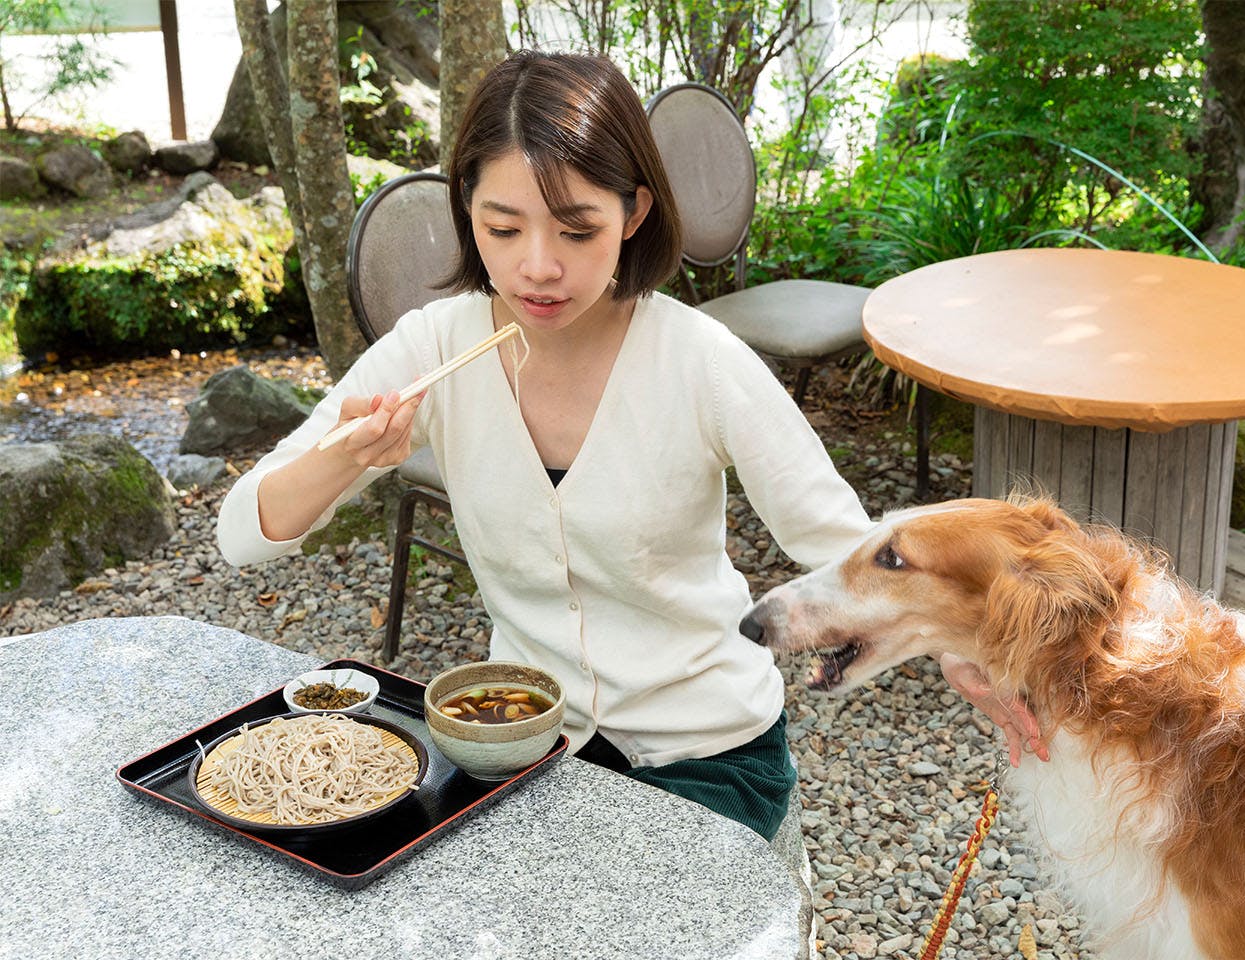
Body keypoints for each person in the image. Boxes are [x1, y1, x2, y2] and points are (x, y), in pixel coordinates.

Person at [217, 49, 872, 841]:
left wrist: (989, 652)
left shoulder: (701, 360)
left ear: (633, 215)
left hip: (710, 748)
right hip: (528, 745)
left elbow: (852, 548)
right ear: (467, 211)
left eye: (577, 230)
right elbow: (243, 533)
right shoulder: (435, 348)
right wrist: (347, 454)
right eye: (502, 227)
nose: (537, 267)